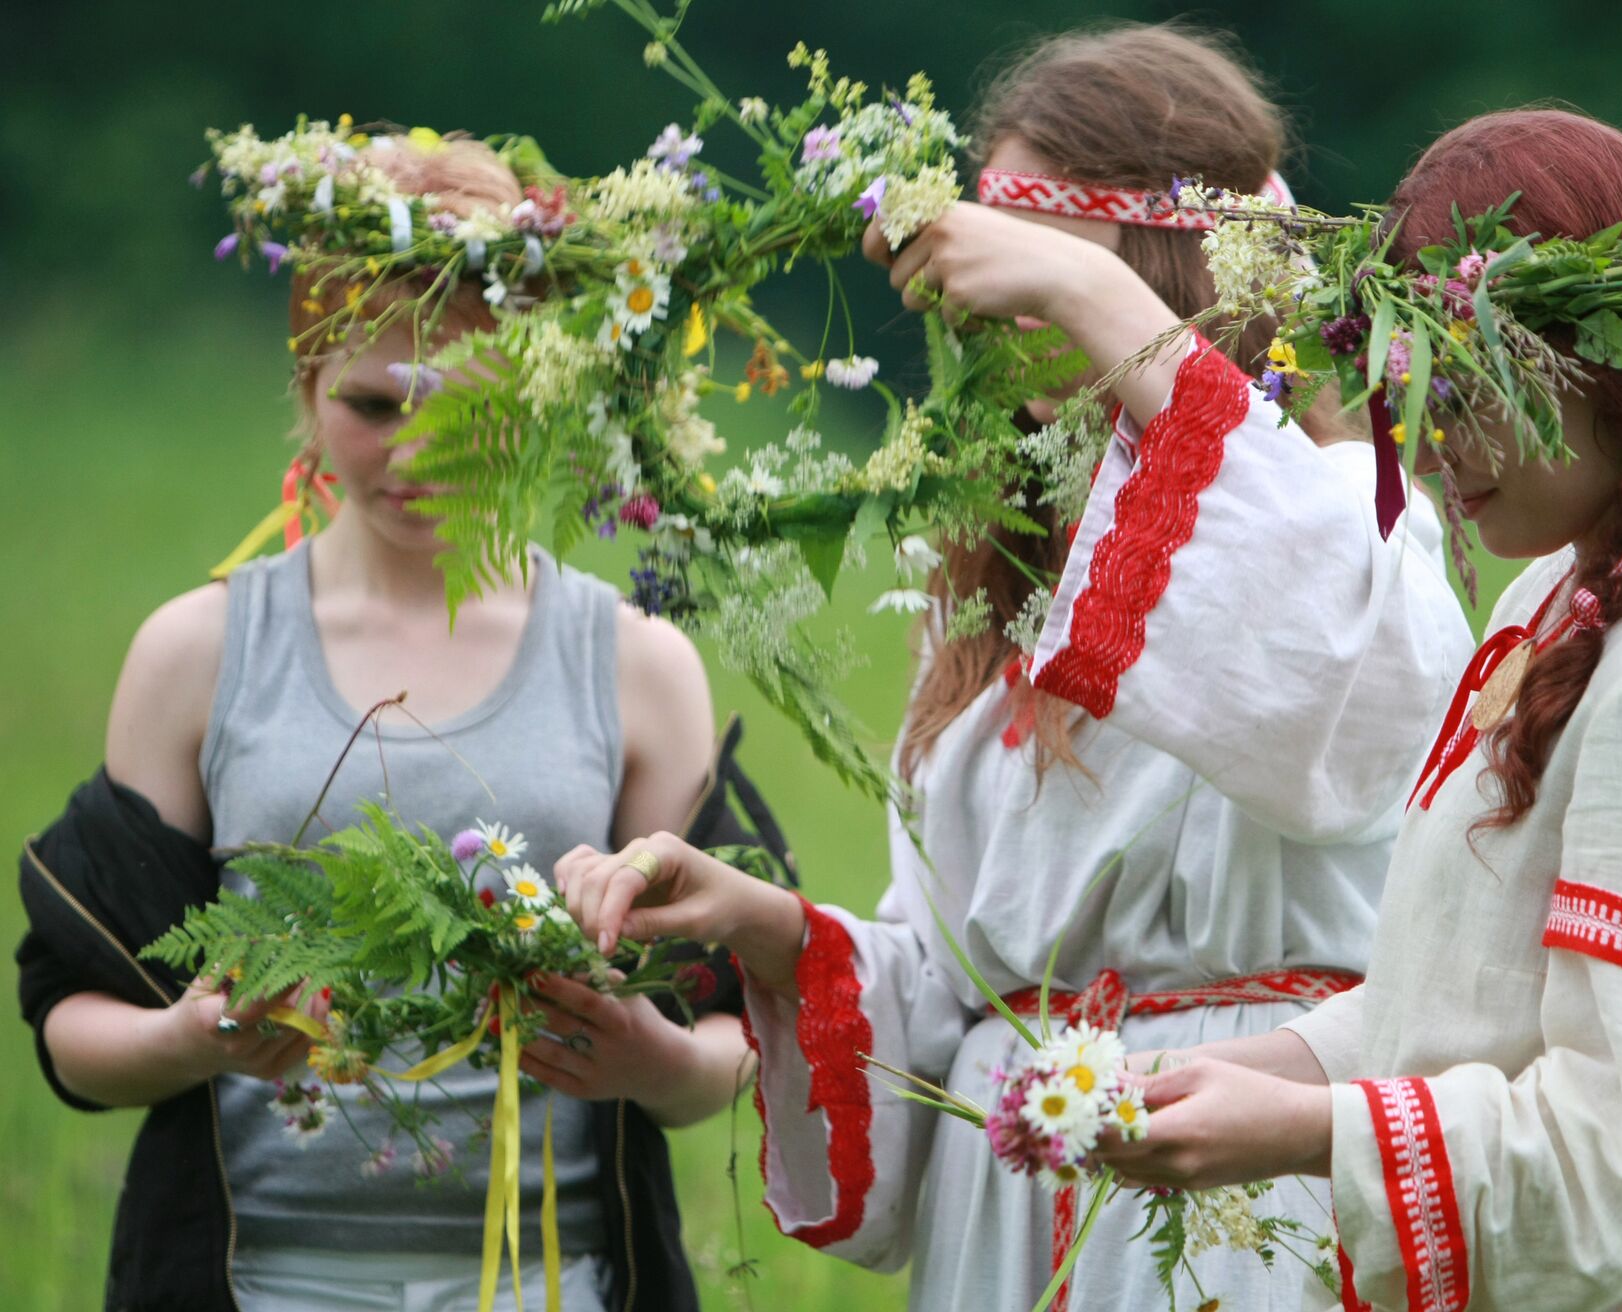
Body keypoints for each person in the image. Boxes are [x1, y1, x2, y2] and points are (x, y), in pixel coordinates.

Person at [558, 26, 1472, 1312]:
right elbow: (951, 984)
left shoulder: (1347, 517)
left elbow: (1356, 733)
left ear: (1168, 267)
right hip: (1015, 1205)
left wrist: (1097, 307)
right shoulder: (994, 585)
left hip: (1240, 1189)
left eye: (1038, 269)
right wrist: (763, 925)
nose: (994, 309)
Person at [1092, 109, 1622, 1312]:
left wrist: (1306, 1135)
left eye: (1468, 385)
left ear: (1607, 366)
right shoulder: (1577, 586)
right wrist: (1257, 1067)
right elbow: (1474, 994)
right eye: (1409, 385)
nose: (1427, 437)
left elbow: (1618, 1166)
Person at [18, 131, 770, 1312]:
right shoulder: (198, 652)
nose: (417, 453)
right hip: (254, 1277)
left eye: (467, 410)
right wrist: (200, 1038)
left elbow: (743, 1030)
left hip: (555, 1280)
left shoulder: (634, 663)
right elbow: (72, 1022)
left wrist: (655, 1059)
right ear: (306, 393)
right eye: (372, 404)